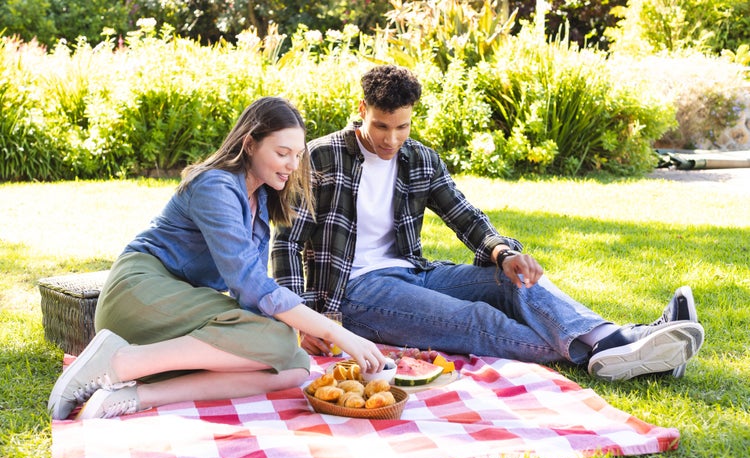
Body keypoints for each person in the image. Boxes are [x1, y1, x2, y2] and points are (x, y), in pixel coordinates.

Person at [271, 65, 704, 382]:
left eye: (401, 127)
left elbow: (463, 214)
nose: (390, 139)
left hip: (414, 272)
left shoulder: (419, 158)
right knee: (478, 318)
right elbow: (287, 243)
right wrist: (303, 321)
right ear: (362, 109)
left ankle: (617, 341)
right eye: (381, 126)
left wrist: (503, 253)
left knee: (514, 283)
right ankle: (620, 349)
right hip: (355, 293)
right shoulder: (321, 157)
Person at [48, 97, 387, 421]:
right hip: (141, 294)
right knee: (280, 340)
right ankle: (118, 361)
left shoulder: (261, 200)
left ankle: (132, 396)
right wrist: (337, 332)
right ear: (250, 143)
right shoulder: (216, 185)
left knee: (293, 365)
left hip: (182, 310)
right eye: (283, 153)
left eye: (298, 155)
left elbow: (253, 299)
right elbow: (250, 284)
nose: (293, 166)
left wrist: (297, 331)